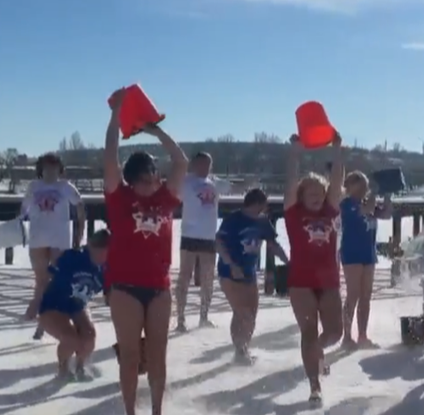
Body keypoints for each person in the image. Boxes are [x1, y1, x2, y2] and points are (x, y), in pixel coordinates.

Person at [103, 87, 188, 415]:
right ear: (133, 180)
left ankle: (156, 410)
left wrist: (155, 131)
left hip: (159, 286)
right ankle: (130, 411)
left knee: (157, 354)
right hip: (125, 286)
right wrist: (116, 113)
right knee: (129, 355)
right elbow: (110, 156)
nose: (153, 180)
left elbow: (180, 161)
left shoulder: (166, 198)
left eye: (154, 174)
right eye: (145, 177)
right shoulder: (120, 198)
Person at [283, 132, 344, 406]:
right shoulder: (294, 214)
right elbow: (290, 184)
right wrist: (295, 154)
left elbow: (337, 181)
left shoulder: (330, 211)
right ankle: (314, 386)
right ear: (302, 196)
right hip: (301, 281)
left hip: (329, 280)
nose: (317, 196)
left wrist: (337, 150)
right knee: (308, 333)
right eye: (311, 193)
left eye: (320, 192)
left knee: (335, 332)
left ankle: (316, 352)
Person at [216, 188, 289, 364]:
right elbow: (218, 242)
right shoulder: (233, 219)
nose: (266, 208)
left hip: (249, 273)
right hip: (229, 272)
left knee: (250, 315)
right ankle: (240, 350)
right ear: (257, 203)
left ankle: (241, 350)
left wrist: (288, 261)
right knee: (243, 313)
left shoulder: (263, 221)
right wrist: (230, 264)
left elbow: (272, 244)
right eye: (264, 204)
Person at [28, 229, 110, 381]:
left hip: (77, 305)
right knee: (70, 339)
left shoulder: (107, 268)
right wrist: (35, 302)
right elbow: (47, 277)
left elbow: (112, 292)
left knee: (89, 337)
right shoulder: (73, 258)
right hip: (53, 304)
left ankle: (80, 367)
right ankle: (63, 369)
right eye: (101, 252)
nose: (102, 257)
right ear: (91, 247)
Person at [23, 153, 85, 340]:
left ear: (60, 170)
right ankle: (41, 321)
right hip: (37, 239)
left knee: (57, 281)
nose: (50, 171)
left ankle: (49, 320)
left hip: (59, 239)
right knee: (41, 280)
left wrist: (78, 236)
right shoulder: (33, 186)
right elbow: (23, 210)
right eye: (47, 168)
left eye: (54, 168)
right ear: (40, 169)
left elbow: (80, 209)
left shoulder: (65, 187)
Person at [175, 152, 231, 332]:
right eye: (202, 163)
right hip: (190, 235)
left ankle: (204, 316)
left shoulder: (214, 182)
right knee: (184, 277)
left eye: (208, 164)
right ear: (194, 164)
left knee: (208, 279)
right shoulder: (185, 181)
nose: (205, 167)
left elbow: (233, 187)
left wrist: (251, 182)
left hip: (209, 237)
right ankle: (180, 319)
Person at [340, 171, 392, 349]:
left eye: (365, 185)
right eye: (360, 184)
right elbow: (366, 210)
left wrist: (387, 194)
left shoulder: (367, 203)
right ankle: (347, 337)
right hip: (351, 254)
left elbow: (386, 214)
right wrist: (375, 194)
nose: (364, 188)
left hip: (368, 253)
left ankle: (362, 335)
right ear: (349, 186)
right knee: (353, 295)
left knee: (365, 296)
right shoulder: (347, 204)